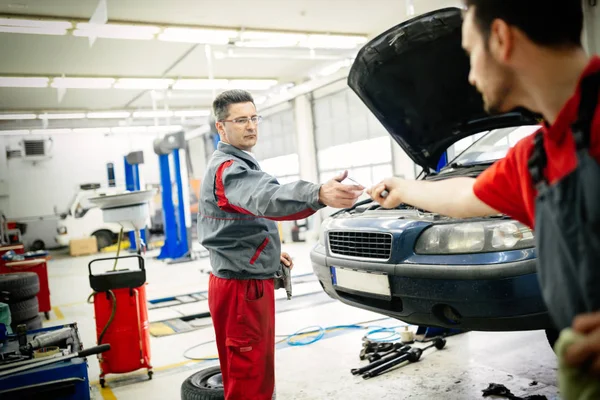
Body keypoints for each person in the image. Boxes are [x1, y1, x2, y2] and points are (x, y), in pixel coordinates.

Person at [368, 1, 600, 378]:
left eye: (470, 54)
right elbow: (465, 197)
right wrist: (403, 189)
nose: (471, 75)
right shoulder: (536, 156)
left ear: (501, 39)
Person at [198, 89, 364, 399]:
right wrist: (317, 194)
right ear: (221, 127)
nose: (251, 126)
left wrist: (269, 255)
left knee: (254, 371)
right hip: (241, 291)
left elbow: (238, 225)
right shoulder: (229, 169)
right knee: (249, 380)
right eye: (241, 120)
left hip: (242, 282)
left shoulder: (237, 161)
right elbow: (267, 197)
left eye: (253, 117)